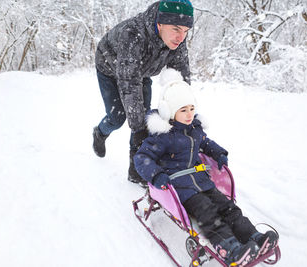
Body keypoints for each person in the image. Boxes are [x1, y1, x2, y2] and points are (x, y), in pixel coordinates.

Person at [134, 69, 279, 266]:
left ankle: (253, 236)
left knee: (228, 206)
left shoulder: (195, 131)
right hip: (181, 188)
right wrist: (157, 176)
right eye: (183, 110)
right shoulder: (163, 136)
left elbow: (205, 143)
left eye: (191, 108)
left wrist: (218, 153)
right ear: (169, 111)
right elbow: (142, 157)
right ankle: (229, 247)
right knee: (207, 211)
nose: (189, 114)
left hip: (203, 182)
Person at [93, 0, 193, 187]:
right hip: (109, 67)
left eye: (186, 31)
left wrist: (184, 111)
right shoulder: (133, 34)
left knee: (145, 118)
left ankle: (136, 170)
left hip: (141, 70)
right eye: (176, 29)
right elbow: (129, 82)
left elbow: (180, 78)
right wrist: (138, 128)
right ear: (160, 23)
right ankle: (100, 133)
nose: (181, 37)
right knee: (119, 117)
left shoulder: (177, 39)